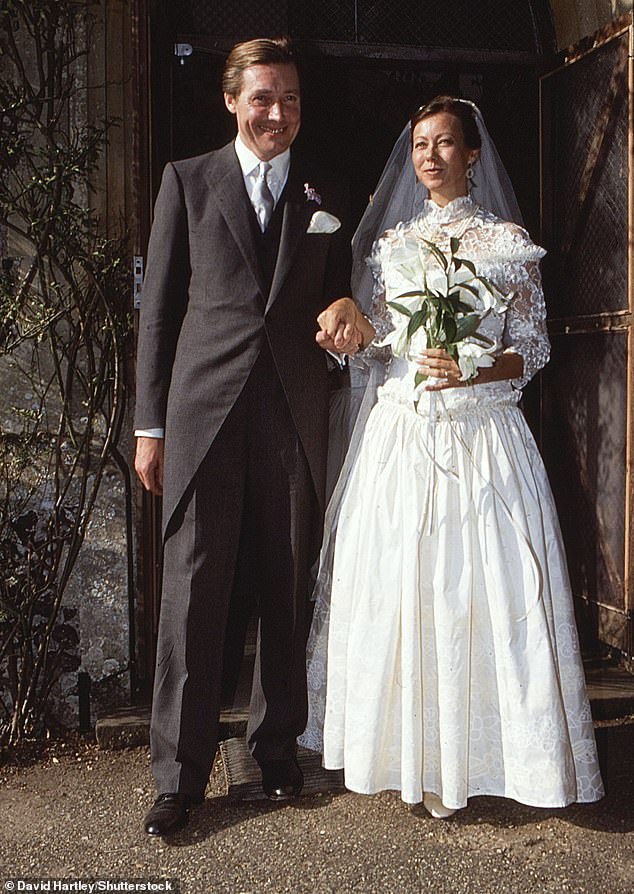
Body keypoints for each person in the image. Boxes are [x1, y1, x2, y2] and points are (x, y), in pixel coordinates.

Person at [305, 96, 604, 817]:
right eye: (420, 145)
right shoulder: (395, 243)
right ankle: (414, 754)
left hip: (482, 435)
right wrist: (353, 330)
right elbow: (384, 342)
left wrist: (473, 368)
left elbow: (532, 347)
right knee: (405, 588)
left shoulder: (505, 242)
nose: (430, 156)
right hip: (404, 435)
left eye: (444, 143)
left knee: (478, 591)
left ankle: (497, 757)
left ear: (472, 155)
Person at [134, 36, 353, 836]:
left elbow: (342, 297)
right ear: (232, 101)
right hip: (203, 417)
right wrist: (150, 426)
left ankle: (275, 751)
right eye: (263, 97)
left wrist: (347, 316)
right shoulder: (187, 181)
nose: (277, 113)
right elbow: (159, 310)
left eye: (290, 99)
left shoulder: (329, 190)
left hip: (294, 413)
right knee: (194, 593)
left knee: (287, 584)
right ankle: (178, 777)